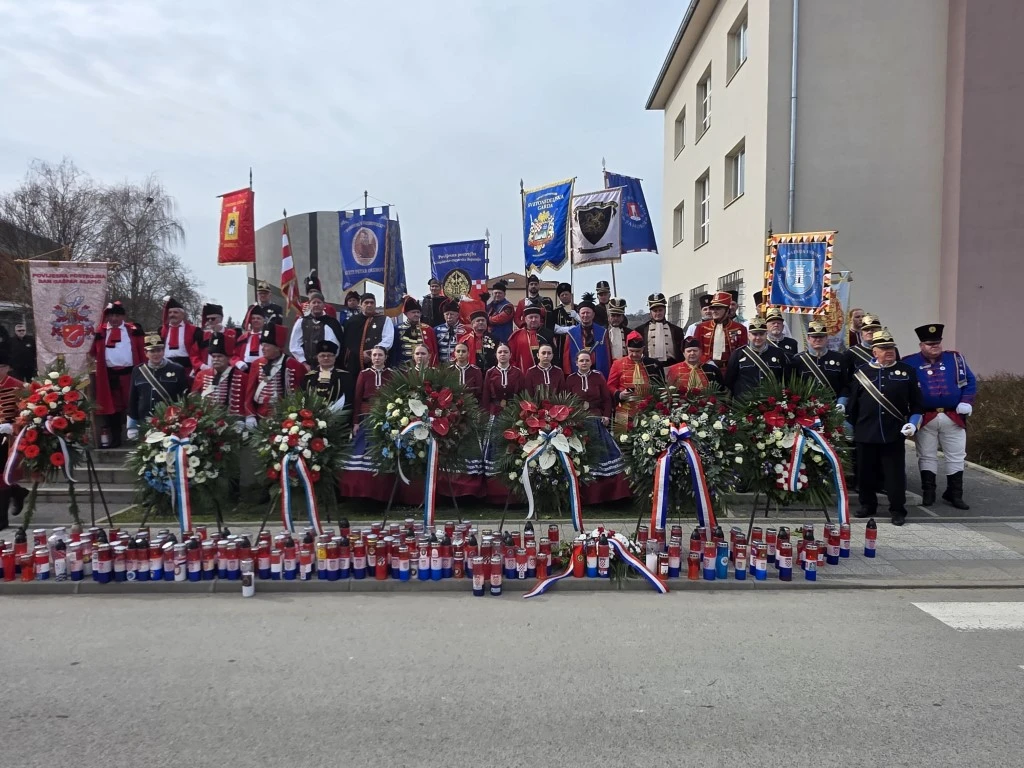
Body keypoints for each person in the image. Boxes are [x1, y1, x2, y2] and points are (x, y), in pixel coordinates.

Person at [844, 327, 923, 526]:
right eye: (883, 348)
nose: (889, 351)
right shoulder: (862, 372)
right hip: (865, 431)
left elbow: (917, 404)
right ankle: (867, 505)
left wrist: (913, 424)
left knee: (894, 475)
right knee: (865, 473)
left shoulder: (907, 372)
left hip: (892, 432)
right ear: (874, 351)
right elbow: (853, 405)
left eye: (891, 348)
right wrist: (853, 427)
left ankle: (897, 510)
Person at [902, 323, 977, 510]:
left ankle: (955, 494)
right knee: (927, 455)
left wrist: (967, 400)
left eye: (937, 343)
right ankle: (929, 493)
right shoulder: (909, 362)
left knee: (957, 455)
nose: (934, 346)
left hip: (954, 416)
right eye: (929, 344)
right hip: (926, 417)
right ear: (921, 345)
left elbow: (970, 381)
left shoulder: (955, 359)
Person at [564, 348, 631, 504]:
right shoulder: (570, 379)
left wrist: (607, 415)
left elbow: (607, 399)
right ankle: (582, 497)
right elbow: (565, 402)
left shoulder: (598, 377)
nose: (584, 363)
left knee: (606, 454)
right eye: (581, 360)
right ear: (576, 363)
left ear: (591, 362)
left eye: (587, 360)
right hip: (578, 423)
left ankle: (607, 497)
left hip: (597, 420)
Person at [340, 346, 395, 502]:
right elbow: (357, 398)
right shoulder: (364, 374)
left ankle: (380, 494)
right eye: (374, 355)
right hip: (366, 416)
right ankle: (358, 493)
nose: (377, 358)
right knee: (361, 451)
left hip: (385, 417)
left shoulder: (391, 374)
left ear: (386, 357)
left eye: (380, 355)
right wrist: (356, 422)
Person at [90, 301, 145, 448]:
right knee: (112, 408)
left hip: (130, 374)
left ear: (123, 316)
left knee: (133, 403)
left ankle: (138, 436)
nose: (114, 319)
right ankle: (115, 437)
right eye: (111, 315)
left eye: (117, 315)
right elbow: (92, 352)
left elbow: (142, 351)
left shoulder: (133, 330)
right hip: (109, 376)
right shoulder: (100, 332)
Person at [482, 342, 525, 502]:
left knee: (513, 447)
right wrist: (486, 415)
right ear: (496, 355)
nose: (502, 354)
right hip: (495, 415)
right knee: (495, 449)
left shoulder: (518, 373)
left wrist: (521, 416)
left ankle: (515, 489)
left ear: (510, 354)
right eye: (500, 352)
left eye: (505, 352)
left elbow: (523, 395)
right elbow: (486, 395)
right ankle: (494, 491)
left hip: (513, 415)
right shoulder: (490, 373)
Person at [242, 321, 307, 428]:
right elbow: (250, 392)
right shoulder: (256, 364)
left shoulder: (294, 365)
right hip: (261, 416)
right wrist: (250, 415)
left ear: (277, 347)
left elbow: (302, 393)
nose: (262, 348)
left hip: (286, 418)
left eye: (266, 345)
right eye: (262, 345)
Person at [126, 333, 189, 440]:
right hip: (145, 422)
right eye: (152, 351)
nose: (156, 354)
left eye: (159, 350)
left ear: (163, 351)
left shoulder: (177, 369)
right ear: (146, 353)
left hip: (170, 422)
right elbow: (133, 398)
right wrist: (132, 426)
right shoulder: (138, 371)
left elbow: (184, 397)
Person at [608, 331, 662, 434]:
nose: (634, 354)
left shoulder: (651, 364)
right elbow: (610, 385)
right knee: (621, 438)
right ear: (627, 348)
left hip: (646, 408)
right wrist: (619, 394)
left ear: (643, 349)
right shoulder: (617, 363)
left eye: (638, 351)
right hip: (623, 407)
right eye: (631, 351)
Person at [723, 316, 788, 401]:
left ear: (766, 334)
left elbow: (785, 379)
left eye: (761, 334)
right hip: (744, 404)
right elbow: (729, 381)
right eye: (754, 334)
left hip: (770, 403)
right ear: (749, 335)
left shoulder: (778, 353)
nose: (758, 338)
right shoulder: (738, 354)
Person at [0, 350, 28, 526]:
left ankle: (2, 519)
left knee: (2, 476)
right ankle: (17, 492)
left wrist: (13, 426)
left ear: (8, 368)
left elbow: (26, 411)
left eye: (1, 366)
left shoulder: (18, 386)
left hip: (7, 437)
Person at [191, 332, 247, 416]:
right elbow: (194, 398)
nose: (215, 359)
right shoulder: (202, 375)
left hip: (234, 419)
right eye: (213, 357)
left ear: (228, 358)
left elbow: (247, 401)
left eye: (220, 356)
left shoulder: (243, 377)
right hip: (208, 419)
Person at [342, 293, 395, 375]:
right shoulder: (352, 321)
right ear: (360, 305)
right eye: (366, 303)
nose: (369, 305)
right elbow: (348, 343)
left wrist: (372, 353)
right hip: (356, 362)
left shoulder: (384, 320)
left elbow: (388, 340)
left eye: (372, 303)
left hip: (378, 361)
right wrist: (360, 355)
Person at [791, 319, 846, 396]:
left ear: (826, 338)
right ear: (808, 338)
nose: (818, 339)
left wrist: (841, 403)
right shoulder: (798, 360)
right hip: (806, 405)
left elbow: (845, 385)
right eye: (814, 337)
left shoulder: (839, 358)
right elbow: (793, 386)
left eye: (821, 336)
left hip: (834, 404)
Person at [289, 292, 343, 369]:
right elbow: (294, 344)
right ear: (309, 304)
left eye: (319, 302)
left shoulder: (332, 323)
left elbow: (335, 346)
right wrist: (304, 363)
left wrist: (325, 363)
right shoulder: (302, 321)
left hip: (326, 366)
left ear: (324, 305)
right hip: (305, 366)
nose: (316, 305)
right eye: (313, 302)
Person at [561, 293, 610, 376]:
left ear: (593, 314)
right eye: (583, 313)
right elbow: (566, 356)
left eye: (588, 313)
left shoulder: (603, 332)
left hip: (597, 371)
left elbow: (607, 354)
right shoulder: (571, 333)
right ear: (579, 314)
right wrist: (568, 374)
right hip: (578, 372)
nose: (585, 315)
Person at [696, 290, 748, 369]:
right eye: (713, 308)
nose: (714, 311)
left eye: (718, 308)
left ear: (727, 310)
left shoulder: (740, 328)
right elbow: (697, 350)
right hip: (706, 369)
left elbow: (743, 353)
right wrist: (708, 363)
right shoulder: (701, 327)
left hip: (730, 371)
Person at [302, 339, 354, 414]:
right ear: (317, 357)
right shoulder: (309, 377)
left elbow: (348, 400)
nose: (326, 358)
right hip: (312, 419)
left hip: (337, 418)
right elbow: (304, 398)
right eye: (322, 355)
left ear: (335, 357)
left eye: (329, 355)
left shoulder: (345, 377)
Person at [392, 296, 439, 367]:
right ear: (406, 313)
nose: (416, 314)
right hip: (403, 369)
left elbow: (433, 352)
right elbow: (393, 352)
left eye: (418, 312)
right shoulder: (397, 329)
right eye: (413, 312)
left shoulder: (428, 329)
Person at [192, 303, 238, 373]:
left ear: (221, 319)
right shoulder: (202, 335)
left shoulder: (233, 333)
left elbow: (236, 353)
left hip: (227, 370)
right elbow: (194, 355)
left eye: (213, 318)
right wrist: (202, 366)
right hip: (205, 370)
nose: (210, 321)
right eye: (208, 319)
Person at [159, 296, 198, 375]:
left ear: (182, 314)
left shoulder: (194, 330)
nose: (172, 315)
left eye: (175, 312)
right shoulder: (162, 330)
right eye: (170, 312)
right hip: (166, 366)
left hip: (186, 368)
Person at [508, 306, 552, 372]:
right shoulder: (516, 336)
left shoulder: (549, 334)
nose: (533, 320)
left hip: (545, 373)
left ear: (540, 318)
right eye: (531, 317)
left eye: (536, 317)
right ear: (525, 319)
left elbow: (554, 356)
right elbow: (511, 358)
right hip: (522, 374)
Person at [232, 305, 268, 372]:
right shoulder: (243, 338)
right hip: (245, 370)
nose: (255, 320)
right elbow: (234, 356)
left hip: (264, 369)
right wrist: (239, 363)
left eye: (258, 318)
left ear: (264, 321)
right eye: (253, 318)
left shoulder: (268, 337)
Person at [550, 282, 578, 362]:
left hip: (576, 340)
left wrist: (576, 316)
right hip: (561, 342)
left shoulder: (578, 308)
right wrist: (568, 329)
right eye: (562, 295)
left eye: (566, 294)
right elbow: (554, 327)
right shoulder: (555, 311)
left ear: (571, 295)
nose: (564, 296)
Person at [486, 280, 515, 344]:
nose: (497, 295)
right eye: (495, 293)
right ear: (492, 294)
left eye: (500, 293)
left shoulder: (508, 306)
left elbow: (500, 319)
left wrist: (487, 319)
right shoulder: (488, 306)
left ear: (504, 294)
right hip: (490, 339)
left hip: (504, 339)